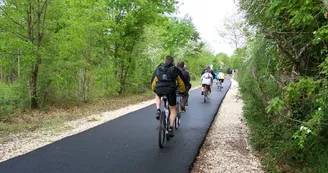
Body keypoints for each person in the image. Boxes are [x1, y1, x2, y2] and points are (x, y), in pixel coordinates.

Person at [151, 55, 187, 137]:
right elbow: (181, 82)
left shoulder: (159, 68)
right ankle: (170, 128)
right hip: (171, 90)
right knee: (173, 109)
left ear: (165, 61)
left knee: (157, 95)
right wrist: (182, 91)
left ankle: (158, 110)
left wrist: (155, 89)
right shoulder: (175, 69)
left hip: (160, 89)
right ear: (173, 62)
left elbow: (153, 80)